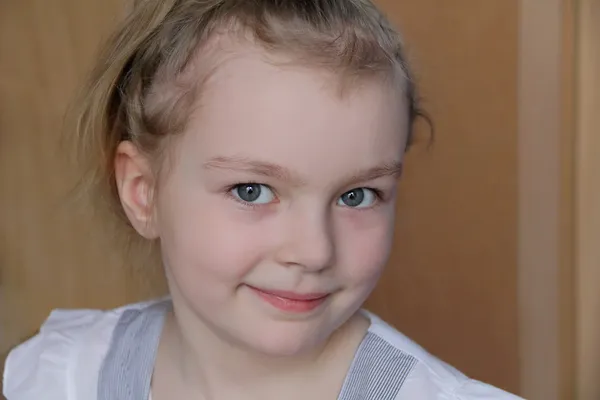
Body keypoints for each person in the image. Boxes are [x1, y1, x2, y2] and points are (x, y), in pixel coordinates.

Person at [3, 1, 523, 399]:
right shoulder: (63, 377)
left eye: (357, 195)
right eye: (252, 191)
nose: (314, 251)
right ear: (145, 193)